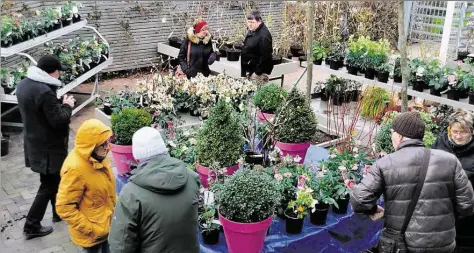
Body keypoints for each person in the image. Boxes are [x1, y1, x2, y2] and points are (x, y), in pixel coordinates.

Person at [351, 112, 474, 253]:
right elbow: (467, 205)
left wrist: (372, 210)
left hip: (404, 244)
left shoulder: (385, 164)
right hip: (442, 243)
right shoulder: (450, 160)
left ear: (399, 136)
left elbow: (359, 200)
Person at [109, 127, 200, 253]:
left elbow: (120, 246)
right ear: (164, 149)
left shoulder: (131, 193)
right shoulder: (191, 177)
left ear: (137, 158)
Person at [16, 54, 75, 239]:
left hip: (35, 143)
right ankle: (32, 225)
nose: (59, 75)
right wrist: (67, 105)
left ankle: (58, 212)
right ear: (52, 72)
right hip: (48, 148)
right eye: (58, 72)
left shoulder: (24, 85)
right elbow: (58, 121)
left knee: (54, 180)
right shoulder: (44, 92)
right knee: (48, 185)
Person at [56, 119, 115, 253]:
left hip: (106, 226)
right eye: (103, 144)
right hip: (93, 236)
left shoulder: (99, 157)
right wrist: (91, 229)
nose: (108, 147)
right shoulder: (75, 169)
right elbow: (64, 208)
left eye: (108, 142)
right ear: (91, 146)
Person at [432, 109, 474, 252]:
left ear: (472, 132)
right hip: (439, 206)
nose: (458, 136)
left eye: (463, 132)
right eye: (455, 131)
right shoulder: (440, 143)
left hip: (465, 214)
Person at [241, 10, 273, 83]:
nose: (250, 24)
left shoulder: (264, 36)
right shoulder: (254, 29)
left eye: (252, 22)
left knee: (256, 93)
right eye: (248, 22)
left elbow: (266, 56)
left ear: (259, 21)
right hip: (250, 68)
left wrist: (257, 73)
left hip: (257, 72)